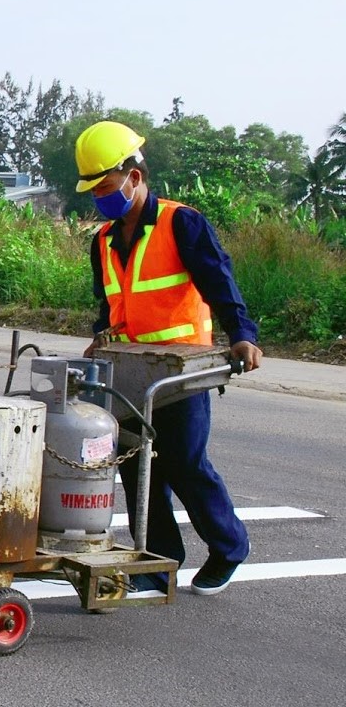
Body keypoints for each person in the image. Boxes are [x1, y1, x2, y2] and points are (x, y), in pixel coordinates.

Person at [75, 119, 263, 596]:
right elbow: (109, 305)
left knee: (184, 463)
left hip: (181, 370)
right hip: (129, 372)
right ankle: (160, 562)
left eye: (108, 186)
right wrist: (101, 337)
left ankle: (229, 547)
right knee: (138, 466)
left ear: (135, 176)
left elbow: (219, 283)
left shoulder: (181, 222)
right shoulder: (102, 241)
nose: (102, 197)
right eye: (94, 191)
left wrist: (242, 334)